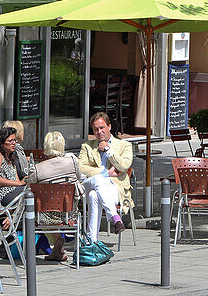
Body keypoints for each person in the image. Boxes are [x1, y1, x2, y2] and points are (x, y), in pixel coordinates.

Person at [28, 131, 81, 262]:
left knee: (41, 207)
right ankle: (58, 249)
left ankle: (56, 243)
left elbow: (30, 186)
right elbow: (78, 178)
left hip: (45, 216)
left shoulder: (38, 168)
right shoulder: (72, 162)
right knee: (52, 207)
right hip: (69, 213)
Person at [79, 112, 132, 242]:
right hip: (90, 183)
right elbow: (80, 168)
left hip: (114, 189)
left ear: (109, 127)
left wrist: (108, 150)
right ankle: (114, 216)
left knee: (94, 195)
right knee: (97, 180)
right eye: (96, 129)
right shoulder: (87, 147)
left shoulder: (124, 146)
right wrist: (105, 173)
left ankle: (92, 241)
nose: (99, 132)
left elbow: (124, 166)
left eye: (102, 127)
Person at [0, 126, 29, 211]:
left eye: (15, 140)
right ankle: (13, 217)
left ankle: (14, 217)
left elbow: (17, 179)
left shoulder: (10, 156)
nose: (14, 143)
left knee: (35, 191)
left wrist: (25, 180)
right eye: (10, 141)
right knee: (30, 195)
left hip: (14, 190)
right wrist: (19, 183)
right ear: (2, 143)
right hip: (2, 193)